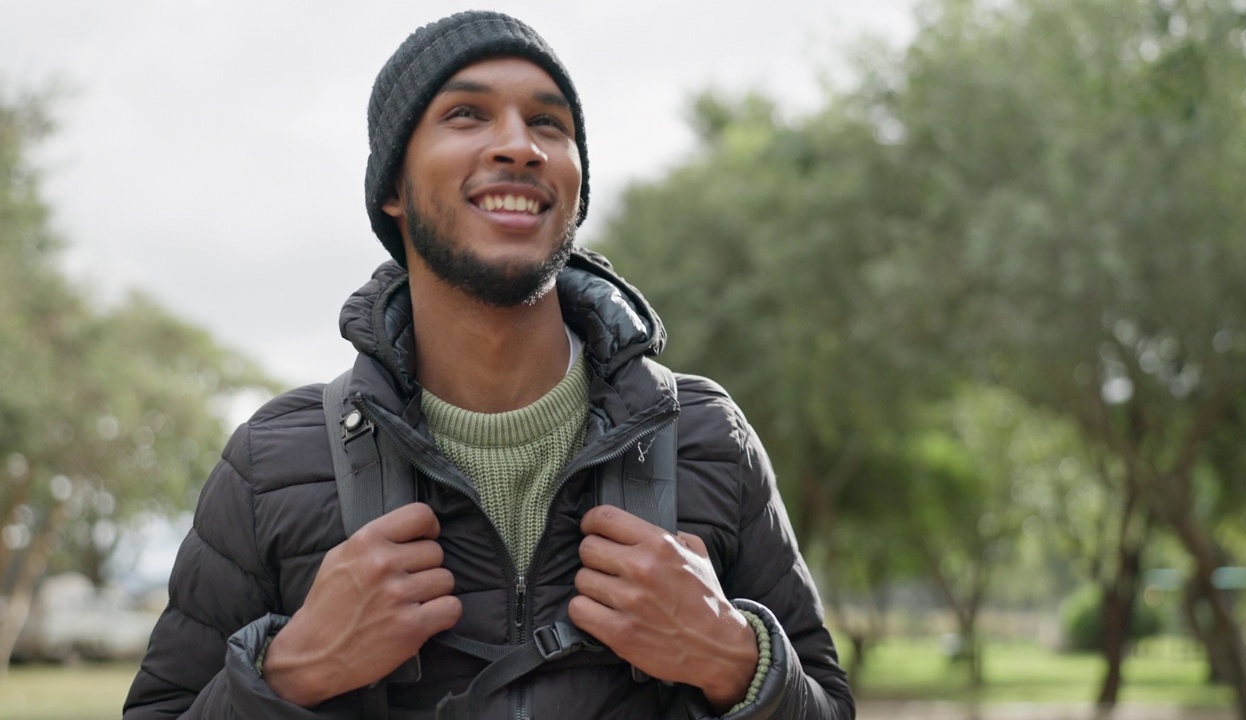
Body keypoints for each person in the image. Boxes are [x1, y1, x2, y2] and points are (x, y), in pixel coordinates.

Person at [123, 10, 854, 720]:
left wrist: (734, 660)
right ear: (392, 190)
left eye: (549, 124)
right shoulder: (271, 462)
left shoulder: (705, 437)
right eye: (466, 115)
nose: (519, 145)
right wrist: (289, 671)